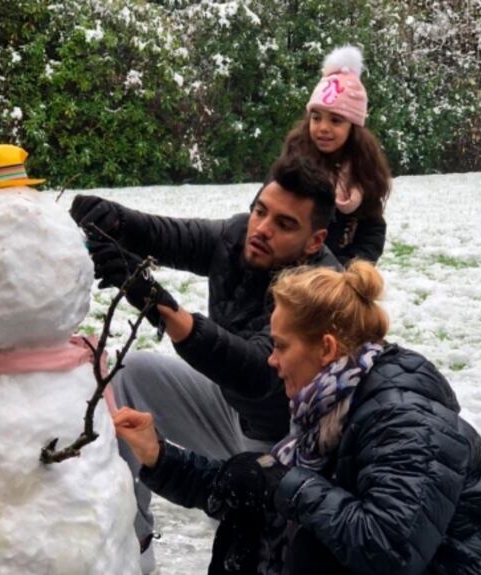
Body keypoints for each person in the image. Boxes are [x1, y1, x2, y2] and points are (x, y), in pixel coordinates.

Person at [114, 261, 481, 574]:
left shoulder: (406, 421)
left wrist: (282, 483)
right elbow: (252, 485)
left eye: (281, 346)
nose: (272, 360)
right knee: (257, 504)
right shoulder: (328, 405)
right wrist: (159, 457)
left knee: (309, 545)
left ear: (325, 348)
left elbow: (388, 551)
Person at [70, 154, 341, 568]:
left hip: (291, 446)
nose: (262, 229)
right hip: (230, 412)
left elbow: (258, 371)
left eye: (284, 224)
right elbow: (168, 236)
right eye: (260, 211)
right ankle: (133, 545)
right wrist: (114, 220)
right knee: (134, 375)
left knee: (260, 550)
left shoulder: (322, 290)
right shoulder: (239, 238)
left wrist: (160, 306)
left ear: (315, 241)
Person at [279, 45, 392, 264]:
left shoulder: (363, 171)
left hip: (338, 279)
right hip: (290, 270)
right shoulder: (293, 162)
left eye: (336, 120)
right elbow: (263, 211)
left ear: (354, 126)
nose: (323, 128)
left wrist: (349, 269)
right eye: (316, 117)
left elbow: (372, 231)